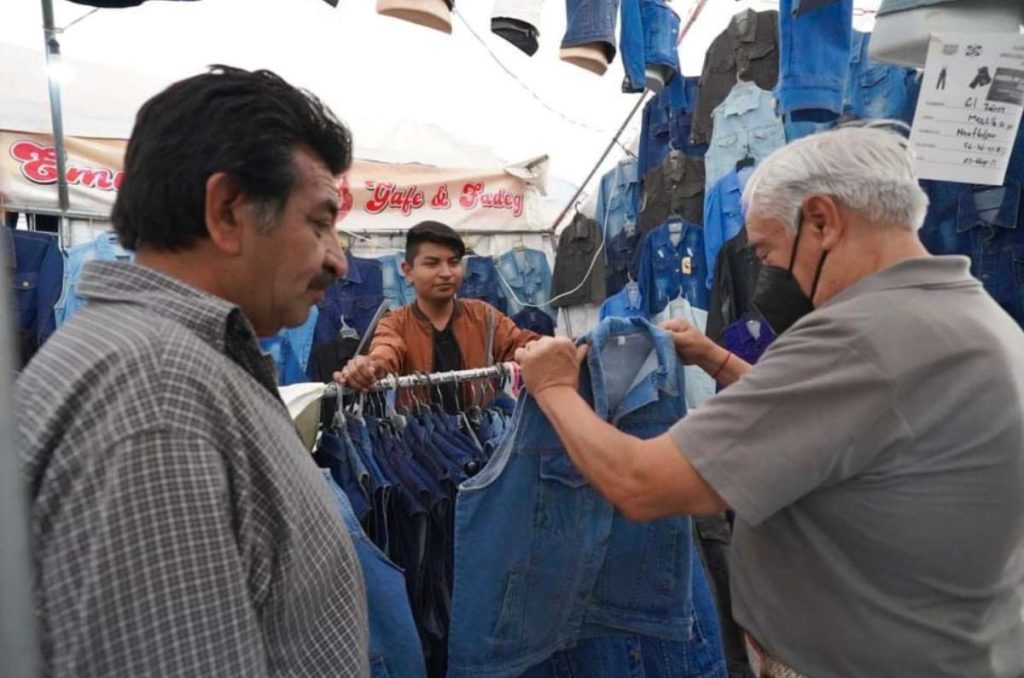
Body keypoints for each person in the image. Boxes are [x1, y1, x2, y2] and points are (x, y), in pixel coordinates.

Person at [513, 127, 1024, 678]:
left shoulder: (857, 337)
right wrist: (717, 359)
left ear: (823, 221)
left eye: (766, 252)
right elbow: (850, 427)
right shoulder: (970, 315)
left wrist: (553, 387)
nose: (764, 275)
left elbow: (643, 484)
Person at [18, 67, 369, 676]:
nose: (338, 259)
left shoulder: (165, 365)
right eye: (318, 222)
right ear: (228, 211)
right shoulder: (157, 394)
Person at [338, 221, 538, 410]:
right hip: (420, 437)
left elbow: (519, 342)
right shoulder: (394, 324)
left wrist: (547, 348)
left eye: (453, 262)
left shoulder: (483, 315)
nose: (446, 273)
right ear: (408, 272)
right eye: (432, 264)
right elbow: (385, 352)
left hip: (481, 433)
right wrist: (370, 367)